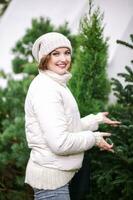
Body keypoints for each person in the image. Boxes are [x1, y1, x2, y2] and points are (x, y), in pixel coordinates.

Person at [24, 32, 120, 200]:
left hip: (59, 175)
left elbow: (64, 126)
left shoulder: (56, 83)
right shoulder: (46, 90)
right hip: (52, 182)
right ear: (44, 58)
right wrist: (94, 139)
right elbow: (60, 143)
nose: (64, 58)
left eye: (67, 52)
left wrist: (95, 120)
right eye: (56, 53)